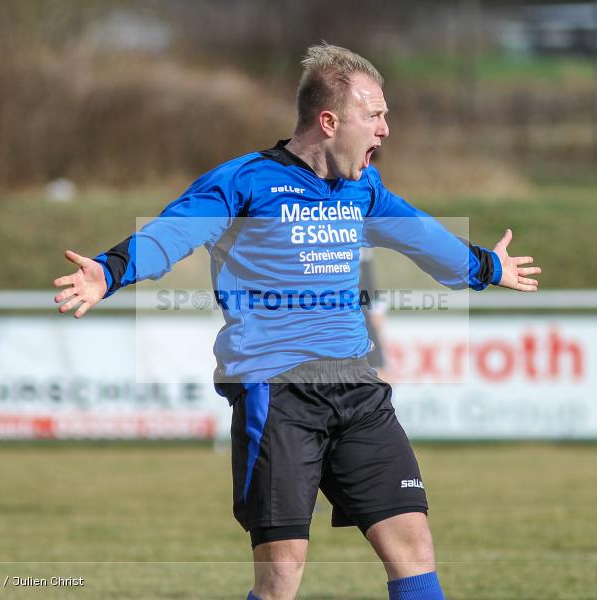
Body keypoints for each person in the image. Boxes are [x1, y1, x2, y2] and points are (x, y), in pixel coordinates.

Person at [54, 42, 541, 600]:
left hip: (357, 389)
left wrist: (485, 266)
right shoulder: (244, 183)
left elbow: (421, 235)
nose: (385, 129)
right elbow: (172, 233)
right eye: (374, 115)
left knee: (414, 550)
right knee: (281, 576)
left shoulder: (361, 188)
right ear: (329, 121)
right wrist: (110, 270)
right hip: (277, 393)